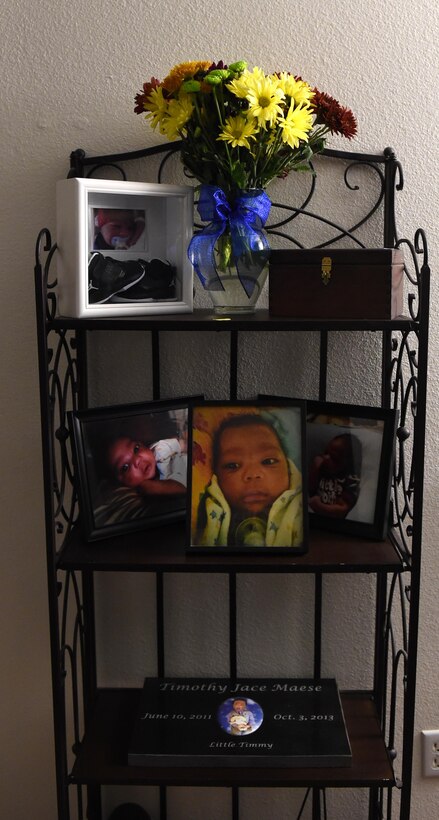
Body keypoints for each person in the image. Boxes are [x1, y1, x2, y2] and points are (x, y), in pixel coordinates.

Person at [193, 413, 303, 548]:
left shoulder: (300, 509)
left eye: (268, 461)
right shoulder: (208, 517)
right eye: (232, 465)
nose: (253, 474)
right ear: (216, 476)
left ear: (289, 468)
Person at [107, 433, 187, 496]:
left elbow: (182, 443)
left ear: (144, 445)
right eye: (125, 467)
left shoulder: (160, 450)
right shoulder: (146, 488)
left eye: (136, 449)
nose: (137, 460)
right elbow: (181, 488)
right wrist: (145, 486)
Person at [308, 432, 362, 518]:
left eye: (334, 457)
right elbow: (310, 489)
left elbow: (342, 510)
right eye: (326, 452)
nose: (326, 458)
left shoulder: (350, 480)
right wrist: (315, 469)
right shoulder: (324, 467)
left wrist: (318, 506)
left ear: (348, 464)